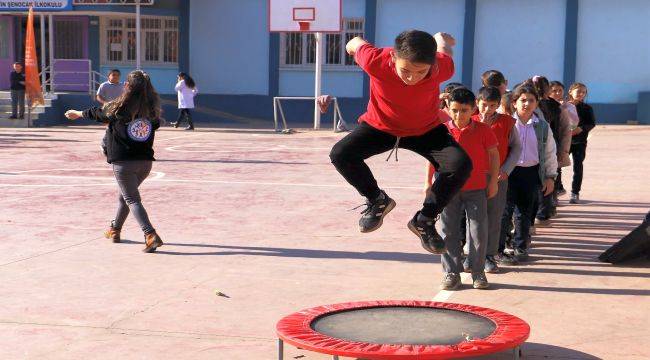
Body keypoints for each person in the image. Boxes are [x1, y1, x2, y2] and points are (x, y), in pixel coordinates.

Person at [329, 30, 472, 255]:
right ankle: (377, 200)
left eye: (420, 72)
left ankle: (424, 220)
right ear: (393, 57)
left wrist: (441, 41)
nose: (411, 78)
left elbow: (443, 51)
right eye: (405, 70)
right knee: (340, 154)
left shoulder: (441, 66)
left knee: (461, 164)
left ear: (431, 65)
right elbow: (355, 42)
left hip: (426, 129)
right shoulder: (375, 60)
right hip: (380, 127)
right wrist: (351, 45)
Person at [64, 70, 164, 253]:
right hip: (145, 163)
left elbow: (98, 113)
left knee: (132, 199)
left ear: (127, 85)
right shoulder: (152, 110)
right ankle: (115, 230)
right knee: (124, 196)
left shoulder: (118, 107)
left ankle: (150, 235)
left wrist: (77, 113)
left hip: (124, 163)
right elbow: (155, 125)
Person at [426, 87, 499, 289]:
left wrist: (493, 181)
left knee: (478, 230)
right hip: (447, 189)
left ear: (473, 109)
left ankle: (478, 272)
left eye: (464, 110)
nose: (459, 115)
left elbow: (494, 155)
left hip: (476, 188)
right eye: (455, 110)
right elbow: (432, 158)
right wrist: (427, 183)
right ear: (448, 108)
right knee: (448, 231)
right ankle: (451, 273)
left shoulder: (484, 130)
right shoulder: (441, 131)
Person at [498, 85, 557, 263]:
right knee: (504, 212)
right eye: (523, 100)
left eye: (531, 100)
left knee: (525, 212)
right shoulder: (506, 123)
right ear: (514, 103)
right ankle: (498, 249)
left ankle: (521, 246)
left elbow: (549, 152)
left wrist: (550, 176)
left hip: (531, 173)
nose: (527, 104)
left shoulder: (542, 126)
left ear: (536, 103)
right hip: (509, 172)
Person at [472, 86, 522, 271]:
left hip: (498, 177)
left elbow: (517, 148)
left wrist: (506, 169)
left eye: (493, 106)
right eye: (484, 105)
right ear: (477, 103)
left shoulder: (507, 122)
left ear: (498, 105)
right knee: (473, 217)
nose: (488, 109)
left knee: (494, 217)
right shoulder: (469, 120)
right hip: (472, 178)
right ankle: (471, 254)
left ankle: (489, 256)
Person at [567, 82, 596, 204]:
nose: (581, 94)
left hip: (580, 142)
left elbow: (592, 123)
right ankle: (556, 190)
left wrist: (582, 129)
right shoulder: (564, 107)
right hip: (565, 141)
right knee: (556, 166)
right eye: (578, 91)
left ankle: (575, 193)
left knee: (578, 167)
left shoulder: (587, 108)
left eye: (583, 92)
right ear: (570, 92)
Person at [549, 81, 578, 196]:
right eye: (554, 90)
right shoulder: (544, 104)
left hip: (560, 139)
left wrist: (564, 108)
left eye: (560, 90)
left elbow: (574, 123)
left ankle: (556, 191)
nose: (557, 93)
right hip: (547, 139)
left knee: (557, 166)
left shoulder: (568, 106)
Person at [97, 69, 125, 155]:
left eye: (117, 75)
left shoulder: (123, 86)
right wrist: (105, 103)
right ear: (109, 76)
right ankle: (104, 144)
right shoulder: (104, 85)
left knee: (120, 127)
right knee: (110, 127)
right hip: (108, 110)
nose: (115, 77)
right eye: (113, 75)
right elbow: (98, 96)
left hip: (120, 110)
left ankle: (118, 146)